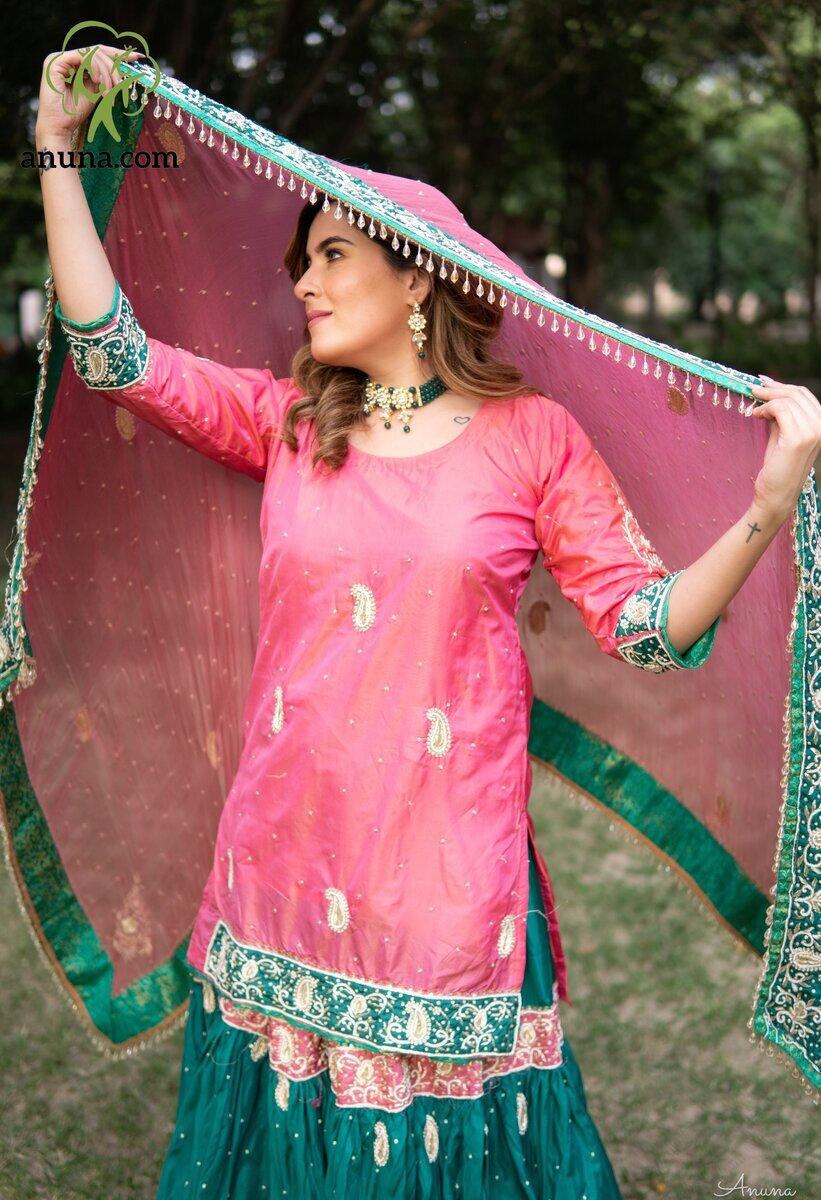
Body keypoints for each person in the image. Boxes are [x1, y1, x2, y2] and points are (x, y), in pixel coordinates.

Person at [31, 45, 821, 1198]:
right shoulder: (292, 423)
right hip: (281, 861)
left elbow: (648, 628)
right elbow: (115, 355)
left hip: (444, 883)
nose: (303, 283)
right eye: (301, 261)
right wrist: (57, 149)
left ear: (415, 279)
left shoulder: (531, 438)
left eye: (331, 256)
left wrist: (764, 507)